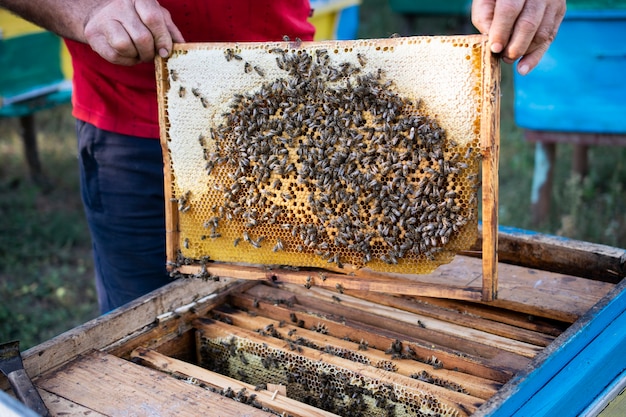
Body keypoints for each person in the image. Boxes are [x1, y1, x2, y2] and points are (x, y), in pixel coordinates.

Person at [0, 0, 565, 313]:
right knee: (144, 336)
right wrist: (81, 8)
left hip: (301, 125)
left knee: (303, 332)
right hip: (133, 126)